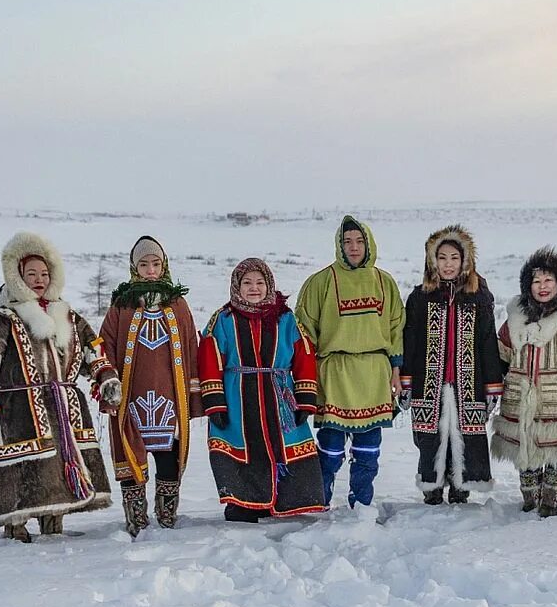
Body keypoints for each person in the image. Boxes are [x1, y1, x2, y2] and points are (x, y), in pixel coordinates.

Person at [0, 232, 120, 542]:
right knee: (22, 467)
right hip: (17, 407)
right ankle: (16, 523)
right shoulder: (4, 317)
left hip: (63, 402)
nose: (39, 279)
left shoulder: (66, 315)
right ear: (17, 277)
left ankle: (54, 520)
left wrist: (105, 378)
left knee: (58, 463)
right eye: (31, 274)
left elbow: (94, 349)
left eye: (44, 273)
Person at [198, 258, 325, 522]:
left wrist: (305, 396)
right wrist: (215, 402)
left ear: (269, 285)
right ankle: (243, 503)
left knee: (282, 445)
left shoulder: (286, 318)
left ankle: (284, 499)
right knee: (242, 445)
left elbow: (304, 354)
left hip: (279, 395)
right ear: (236, 286)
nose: (254, 288)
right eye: (247, 283)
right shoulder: (222, 319)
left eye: (260, 282)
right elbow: (209, 358)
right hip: (237, 397)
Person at [295, 215, 404, 508]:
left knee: (368, 449)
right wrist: (308, 375)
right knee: (330, 448)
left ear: (368, 244)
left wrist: (395, 369)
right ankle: (320, 501)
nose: (353, 247)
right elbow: (304, 330)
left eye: (359, 241)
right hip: (334, 372)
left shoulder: (385, 282)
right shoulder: (320, 283)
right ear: (338, 246)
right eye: (347, 242)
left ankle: (362, 503)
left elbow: (395, 327)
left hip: (373, 373)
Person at [100, 235, 202, 537]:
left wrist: (194, 396)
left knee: (168, 454)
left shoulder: (177, 303)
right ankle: (136, 518)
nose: (150, 269)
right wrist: (108, 383)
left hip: (170, 399)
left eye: (155, 263)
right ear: (134, 266)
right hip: (132, 397)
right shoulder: (123, 303)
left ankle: (167, 515)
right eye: (143, 263)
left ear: (164, 265)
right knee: (131, 452)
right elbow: (106, 344)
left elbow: (191, 347)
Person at [491, 248, 557, 517]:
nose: (542, 287)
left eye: (548, 280)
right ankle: (530, 501)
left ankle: (551, 502)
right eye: (536, 281)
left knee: (555, 455)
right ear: (528, 286)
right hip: (519, 402)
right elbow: (500, 359)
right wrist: (491, 391)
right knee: (525, 453)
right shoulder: (513, 322)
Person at [401, 225, 503, 505]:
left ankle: (462, 485)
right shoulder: (420, 298)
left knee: (465, 434)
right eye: (442, 258)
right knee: (430, 434)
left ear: (465, 261)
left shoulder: (479, 297)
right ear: (432, 261)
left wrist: (493, 385)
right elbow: (410, 340)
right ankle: (432, 486)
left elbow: (487, 342)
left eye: (454, 258)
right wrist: (406, 381)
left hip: (468, 382)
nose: (448, 264)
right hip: (428, 381)